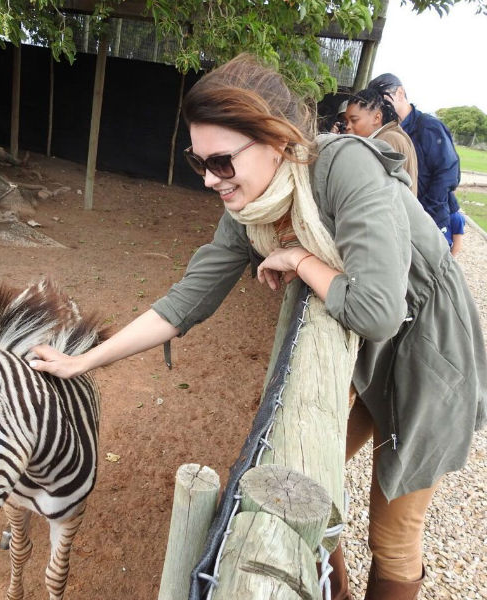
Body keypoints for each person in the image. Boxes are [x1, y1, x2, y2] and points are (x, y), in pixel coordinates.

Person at [29, 54, 487, 599]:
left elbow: (378, 310)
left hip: (427, 352)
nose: (208, 179)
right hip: (366, 354)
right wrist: (84, 361)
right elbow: (186, 302)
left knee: (392, 533)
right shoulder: (249, 209)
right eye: (198, 162)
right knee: (306, 481)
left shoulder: (345, 167)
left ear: (276, 140)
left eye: (221, 162)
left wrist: (300, 262)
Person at [368, 73, 460, 243]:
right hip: (400, 220)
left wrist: (425, 215)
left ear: (400, 93)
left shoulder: (428, 127)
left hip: (428, 220)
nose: (381, 107)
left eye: (384, 100)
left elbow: (448, 174)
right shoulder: (385, 132)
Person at [345, 87, 418, 195]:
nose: (347, 127)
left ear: (377, 118)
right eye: (346, 121)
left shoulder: (388, 140)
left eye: (354, 120)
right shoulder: (392, 135)